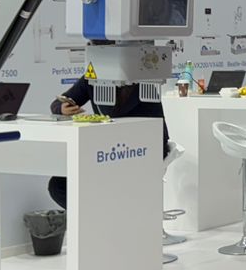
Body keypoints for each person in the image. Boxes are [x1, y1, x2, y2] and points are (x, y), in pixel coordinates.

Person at [47, 67, 170, 207]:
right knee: (58, 185)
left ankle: (103, 214)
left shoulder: (144, 82)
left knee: (109, 183)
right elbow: (58, 103)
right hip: (106, 154)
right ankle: (93, 216)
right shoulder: (93, 79)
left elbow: (158, 133)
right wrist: (62, 108)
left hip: (137, 153)